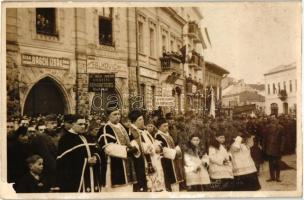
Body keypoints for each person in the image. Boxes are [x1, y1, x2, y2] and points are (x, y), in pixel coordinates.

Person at [56, 115, 101, 192]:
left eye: (84, 124)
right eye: (80, 124)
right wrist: (86, 161)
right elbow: (64, 161)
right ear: (72, 124)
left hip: (91, 174)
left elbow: (97, 152)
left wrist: (96, 157)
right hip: (76, 178)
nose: (83, 126)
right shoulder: (65, 139)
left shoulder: (88, 137)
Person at [98, 107, 139, 192]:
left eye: (118, 114)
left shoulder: (122, 127)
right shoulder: (106, 128)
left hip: (127, 163)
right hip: (114, 165)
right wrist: (126, 150)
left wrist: (134, 148)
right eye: (114, 114)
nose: (118, 116)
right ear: (108, 116)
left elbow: (129, 142)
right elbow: (108, 148)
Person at [128, 110, 165, 192]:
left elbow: (154, 141)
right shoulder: (132, 133)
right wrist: (153, 148)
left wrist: (159, 146)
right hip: (144, 163)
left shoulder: (144, 131)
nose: (143, 121)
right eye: (140, 120)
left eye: (142, 119)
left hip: (154, 160)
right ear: (134, 122)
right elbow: (138, 147)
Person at [155, 118, 183, 192]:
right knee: (170, 182)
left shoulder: (168, 134)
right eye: (164, 126)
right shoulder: (158, 136)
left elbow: (174, 144)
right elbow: (162, 149)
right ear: (159, 127)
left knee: (176, 183)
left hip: (173, 160)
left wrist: (177, 150)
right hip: (166, 161)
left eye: (167, 126)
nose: (166, 127)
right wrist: (174, 152)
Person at [262, 115, 285, 182]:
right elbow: (264, 138)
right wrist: (263, 147)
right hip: (269, 148)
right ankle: (272, 177)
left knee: (278, 163)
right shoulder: (267, 127)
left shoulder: (281, 127)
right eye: (271, 118)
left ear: (276, 119)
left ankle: (277, 177)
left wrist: (282, 147)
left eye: (274, 118)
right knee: (270, 163)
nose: (273, 119)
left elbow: (283, 138)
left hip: (277, 148)